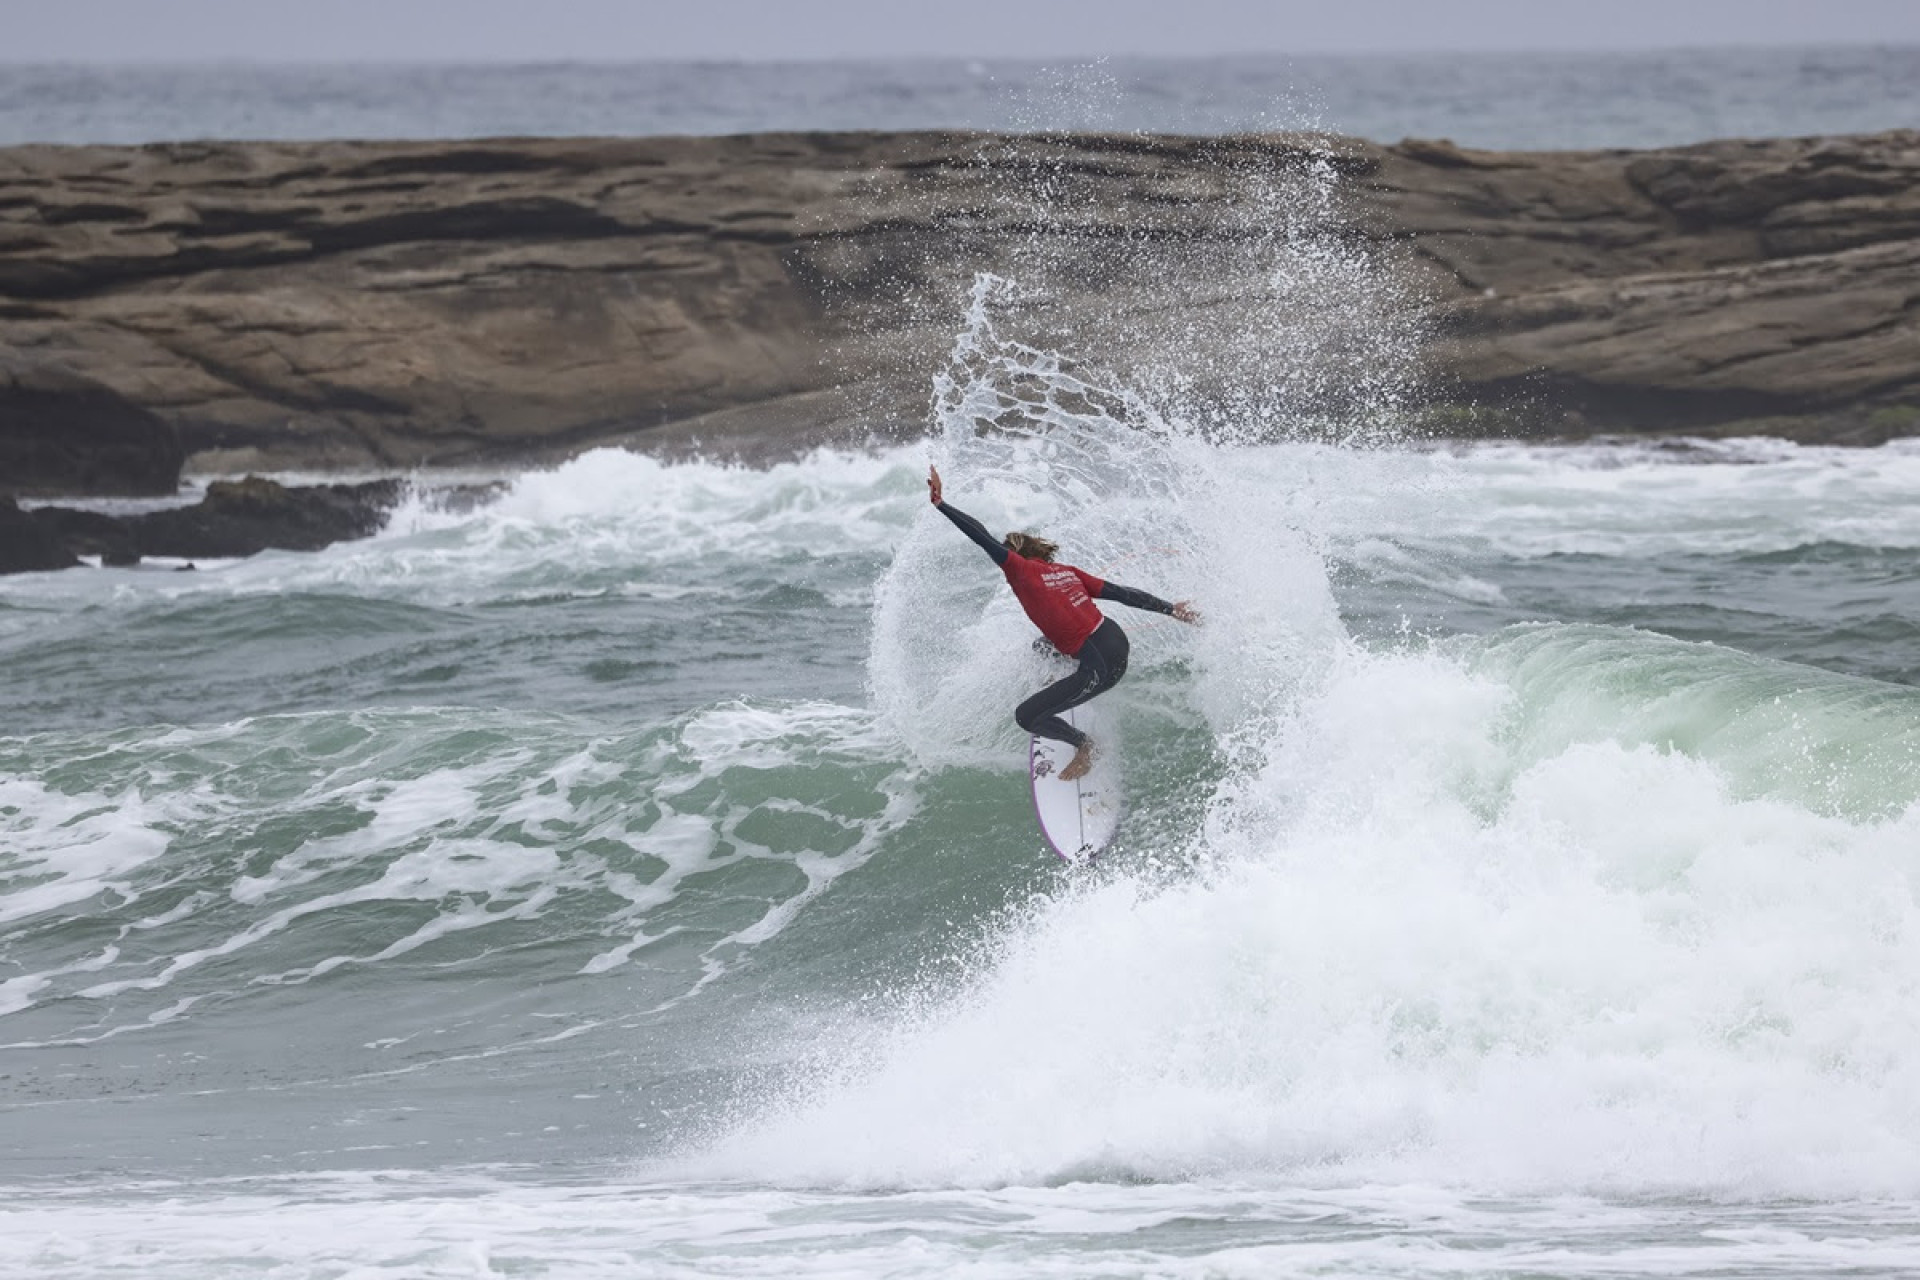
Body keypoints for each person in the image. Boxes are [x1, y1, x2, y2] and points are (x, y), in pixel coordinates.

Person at [927, 465, 1198, 781]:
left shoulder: (1020, 571)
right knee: (1042, 646)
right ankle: (1064, 685)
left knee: (1027, 716)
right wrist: (1171, 609)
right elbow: (1122, 593)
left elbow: (981, 536)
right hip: (1113, 637)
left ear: (1015, 556)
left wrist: (941, 504)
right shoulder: (1066, 571)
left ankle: (1085, 745)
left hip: (1102, 666)